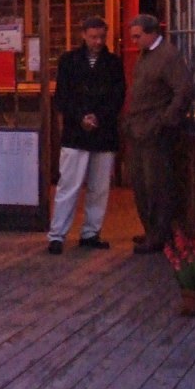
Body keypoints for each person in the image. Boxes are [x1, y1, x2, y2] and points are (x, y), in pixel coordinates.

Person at [47, 16, 126, 255]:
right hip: (76, 131)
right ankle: (57, 234)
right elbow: (62, 96)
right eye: (93, 37)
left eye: (102, 37)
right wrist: (82, 116)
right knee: (68, 185)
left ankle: (91, 232)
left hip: (103, 131)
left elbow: (118, 95)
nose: (98, 41)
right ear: (83, 35)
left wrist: (97, 117)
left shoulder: (113, 63)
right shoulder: (69, 61)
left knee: (99, 187)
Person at [122, 14, 194, 254]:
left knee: (157, 185)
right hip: (139, 130)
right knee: (141, 184)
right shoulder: (146, 55)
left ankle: (159, 235)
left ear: (152, 32)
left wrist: (165, 121)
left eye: (137, 36)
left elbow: (183, 90)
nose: (134, 41)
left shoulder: (168, 56)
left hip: (154, 131)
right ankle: (150, 230)